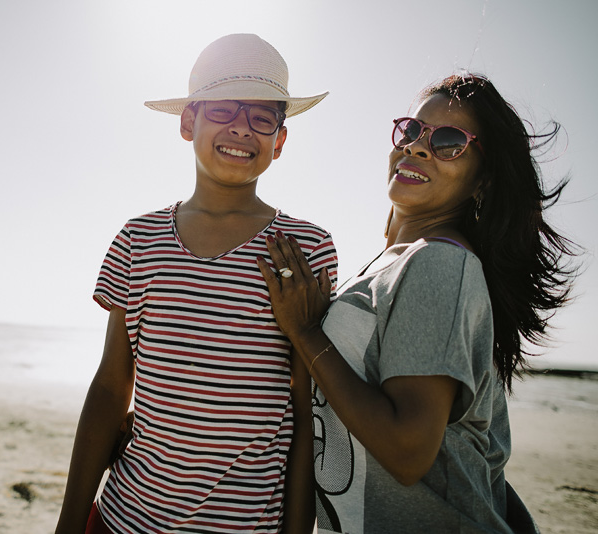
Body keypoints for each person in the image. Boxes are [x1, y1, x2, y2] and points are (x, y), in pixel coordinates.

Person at [257, 74, 579, 533]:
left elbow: (408, 451)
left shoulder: (438, 265)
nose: (417, 147)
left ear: (482, 181)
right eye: (412, 130)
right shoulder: (393, 264)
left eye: (449, 141)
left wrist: (306, 333)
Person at [55, 33, 338, 534]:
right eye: (224, 111)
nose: (242, 130)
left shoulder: (305, 250)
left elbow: (302, 416)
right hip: (126, 518)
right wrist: (69, 523)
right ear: (189, 122)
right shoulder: (138, 239)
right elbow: (109, 387)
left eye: (262, 117)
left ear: (281, 139)